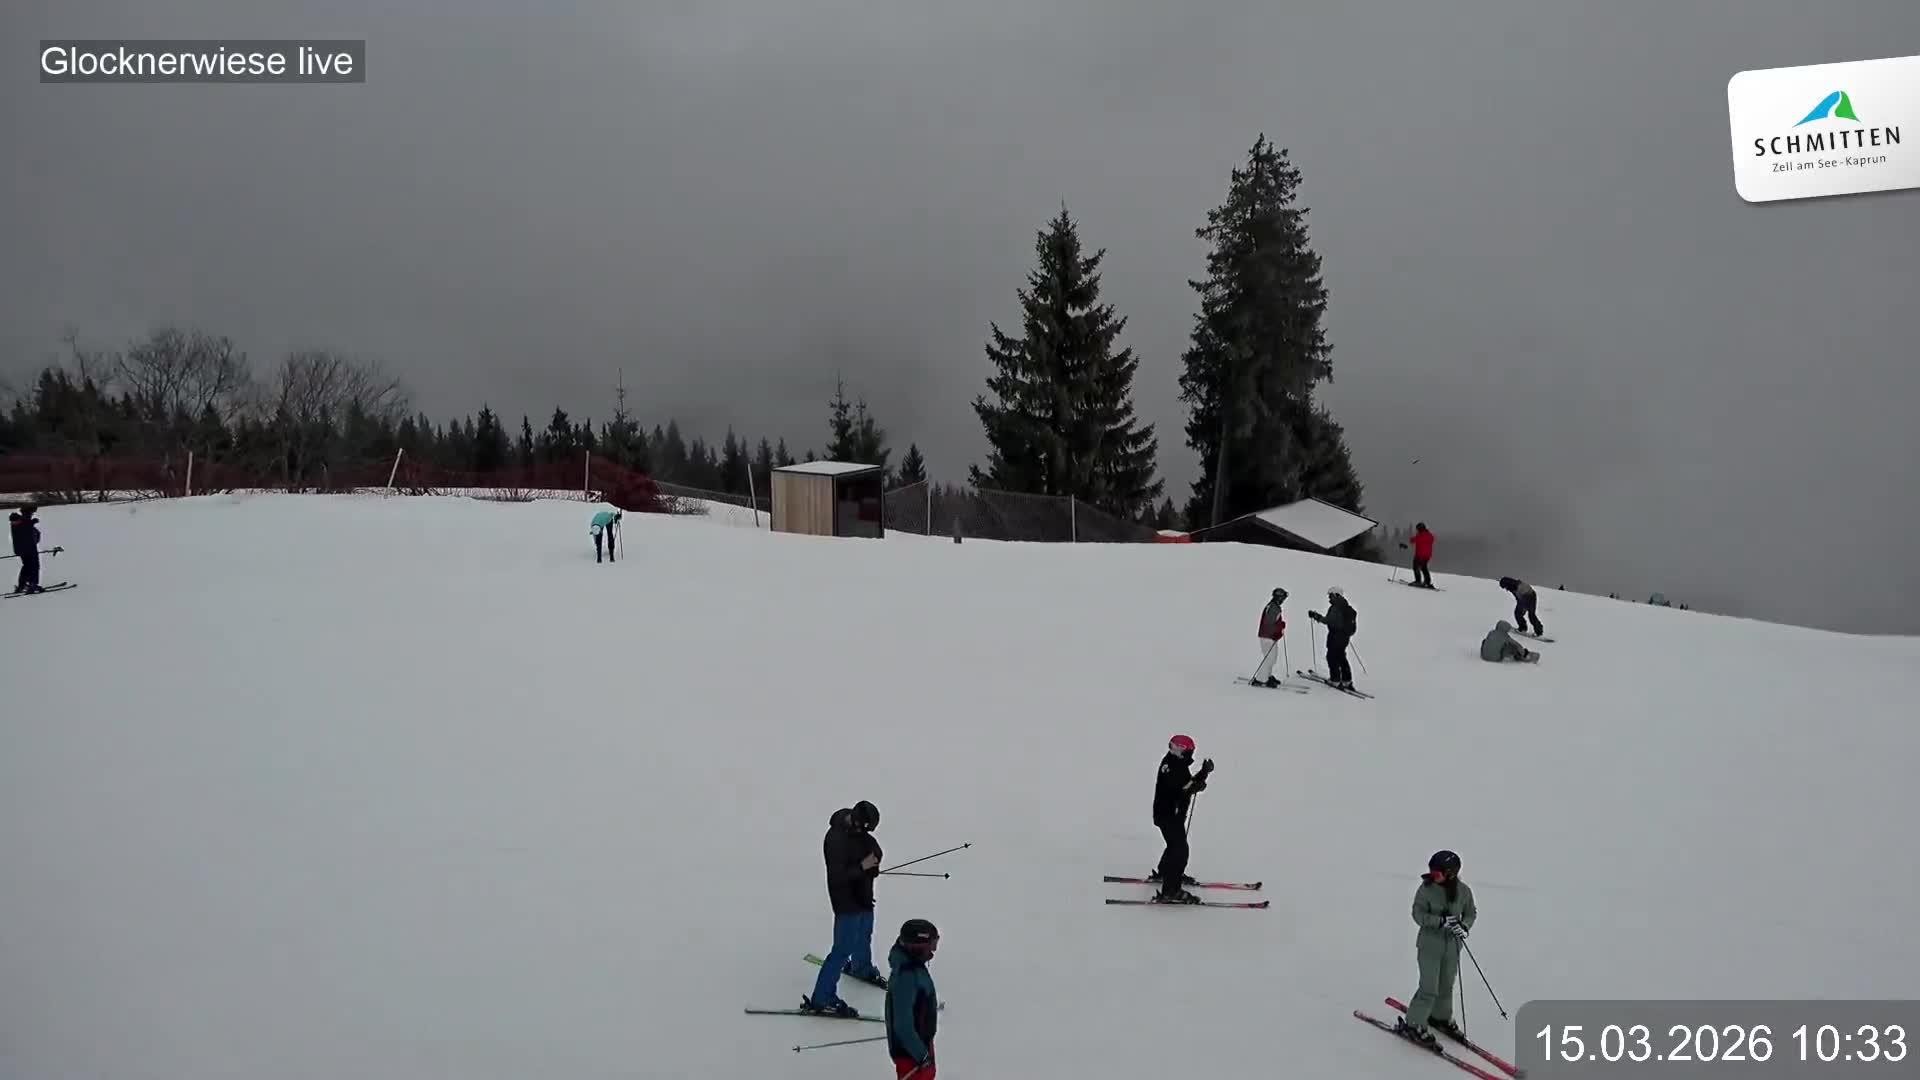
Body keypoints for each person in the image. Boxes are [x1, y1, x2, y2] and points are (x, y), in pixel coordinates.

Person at [803, 800, 885, 1016]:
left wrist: (875, 861)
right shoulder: (835, 839)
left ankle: (861, 968)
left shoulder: (859, 831)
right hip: (845, 901)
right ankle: (822, 998)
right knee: (842, 949)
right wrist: (863, 867)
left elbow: (872, 846)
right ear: (856, 822)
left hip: (863, 895)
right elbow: (838, 878)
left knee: (864, 933)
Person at [1395, 850, 1477, 1050]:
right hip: (1430, 946)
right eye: (1432, 870)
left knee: (1446, 985)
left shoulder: (1463, 891)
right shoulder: (1426, 890)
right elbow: (1418, 914)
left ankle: (1440, 1017)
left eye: (1438, 872)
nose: (1433, 875)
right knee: (1429, 988)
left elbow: (1471, 913)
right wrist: (1439, 922)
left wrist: (1463, 926)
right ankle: (1414, 1023)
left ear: (1451, 873)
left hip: (1452, 947)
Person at [1148, 735, 1213, 903]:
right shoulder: (1171, 766)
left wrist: (1203, 774)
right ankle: (1171, 890)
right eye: (1173, 747)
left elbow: (1187, 784)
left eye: (1177, 748)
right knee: (1180, 851)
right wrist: (1197, 785)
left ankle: (1165, 873)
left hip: (1171, 815)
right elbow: (1182, 788)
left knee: (1174, 845)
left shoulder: (1176, 764)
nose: (1174, 751)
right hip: (1168, 815)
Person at [884, 918, 940, 1079]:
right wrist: (921, 1055)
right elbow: (902, 1025)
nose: (933, 952)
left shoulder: (913, 967)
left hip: (921, 1044)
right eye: (931, 945)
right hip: (911, 1055)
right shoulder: (906, 978)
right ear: (918, 947)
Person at [1308, 586, 1359, 690]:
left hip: (1335, 636)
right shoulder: (1346, 606)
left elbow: (1328, 620)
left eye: (1331, 596)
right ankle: (1347, 680)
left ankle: (1335, 680)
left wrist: (1316, 616)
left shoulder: (1336, 608)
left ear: (1336, 595)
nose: (1329, 599)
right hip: (1344, 637)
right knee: (1341, 657)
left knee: (1332, 657)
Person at [1251, 587, 1288, 687]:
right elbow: (1269, 624)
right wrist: (1279, 627)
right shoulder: (1273, 607)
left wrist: (1280, 624)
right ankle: (1260, 679)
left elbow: (1273, 622)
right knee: (1269, 658)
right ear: (1278, 598)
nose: (1283, 601)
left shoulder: (1273, 606)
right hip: (1267, 636)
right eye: (1282, 598)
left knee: (1272, 657)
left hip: (1269, 636)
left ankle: (1267, 675)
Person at [10, 503, 43, 595]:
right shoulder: (23, 522)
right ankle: (32, 584)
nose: (32, 515)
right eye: (31, 513)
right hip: (29, 549)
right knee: (34, 566)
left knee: (27, 567)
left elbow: (30, 530)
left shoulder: (21, 522)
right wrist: (33, 522)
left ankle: (22, 585)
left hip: (22, 549)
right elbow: (25, 528)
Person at [1403, 523, 1436, 588]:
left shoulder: (1420, 535)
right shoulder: (1429, 535)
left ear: (1420, 529)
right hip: (1427, 556)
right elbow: (1431, 539)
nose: (1417, 530)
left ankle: (1418, 581)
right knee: (1424, 568)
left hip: (1420, 555)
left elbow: (1412, 540)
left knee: (1416, 567)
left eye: (1417, 529)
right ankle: (1427, 582)